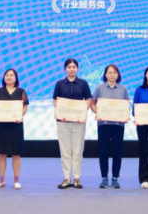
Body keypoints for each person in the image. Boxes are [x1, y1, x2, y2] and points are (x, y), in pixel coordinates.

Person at [53, 58, 92, 189]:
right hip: (62, 122)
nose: (71, 69)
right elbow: (55, 100)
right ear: (65, 69)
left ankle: (76, 178)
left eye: (74, 67)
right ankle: (66, 178)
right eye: (69, 67)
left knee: (77, 151)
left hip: (78, 122)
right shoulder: (59, 83)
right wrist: (60, 113)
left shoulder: (83, 83)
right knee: (65, 151)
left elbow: (88, 99)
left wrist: (82, 113)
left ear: (77, 69)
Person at [91, 64, 130, 189]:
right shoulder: (99, 88)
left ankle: (115, 178)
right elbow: (92, 103)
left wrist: (125, 115)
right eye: (110, 72)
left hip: (118, 125)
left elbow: (126, 105)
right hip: (104, 124)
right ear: (105, 75)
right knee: (103, 152)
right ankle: (104, 178)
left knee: (117, 152)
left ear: (118, 75)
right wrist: (98, 113)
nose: (112, 75)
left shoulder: (123, 89)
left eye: (114, 72)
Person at [0, 69, 29, 190]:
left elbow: (25, 106)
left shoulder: (21, 91)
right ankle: (1, 180)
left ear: (16, 78)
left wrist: (19, 116)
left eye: (12, 75)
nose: (9, 77)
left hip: (16, 126)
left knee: (16, 154)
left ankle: (16, 181)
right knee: (1, 154)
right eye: (7, 75)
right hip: (1, 126)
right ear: (4, 77)